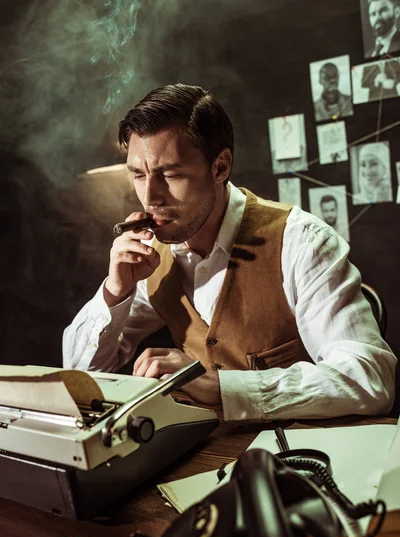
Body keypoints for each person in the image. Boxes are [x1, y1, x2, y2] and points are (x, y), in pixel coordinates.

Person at [63, 83, 396, 421]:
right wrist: (115, 291)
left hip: (301, 456)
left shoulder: (302, 241)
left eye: (171, 174)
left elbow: (370, 378)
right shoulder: (152, 256)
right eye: (138, 175)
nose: (150, 197)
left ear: (220, 167)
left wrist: (223, 387)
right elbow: (79, 372)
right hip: (201, 452)